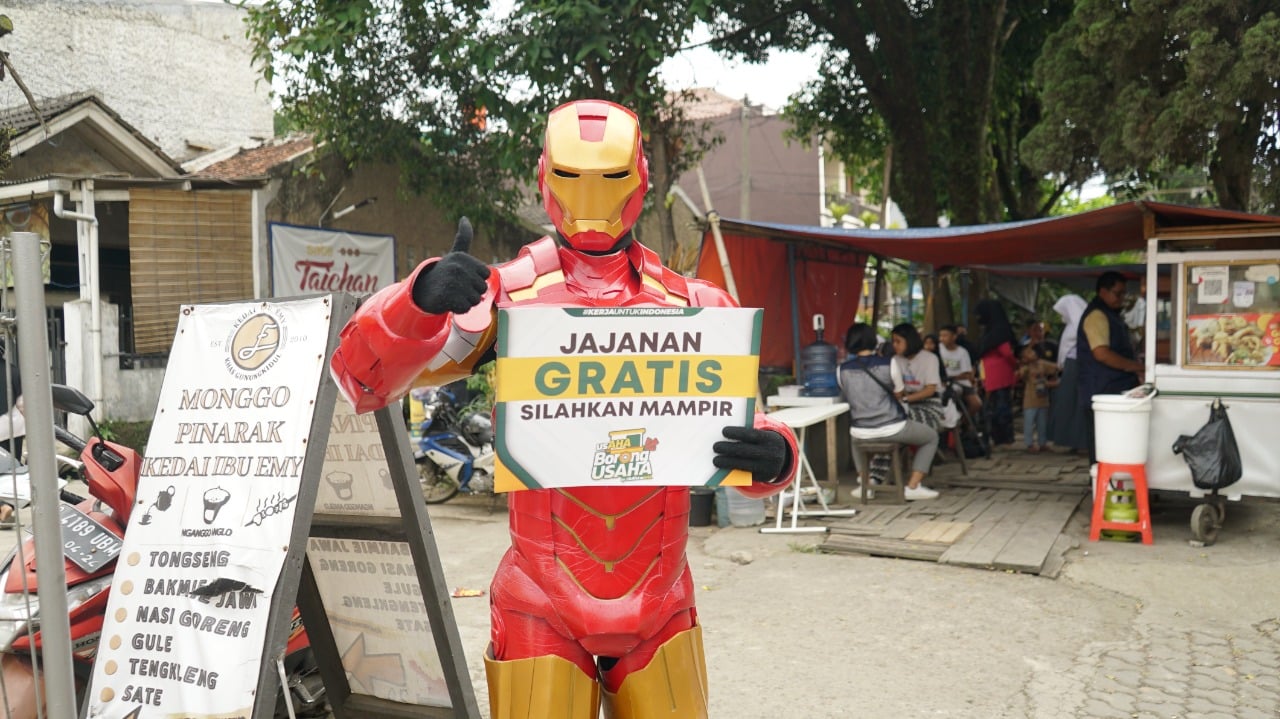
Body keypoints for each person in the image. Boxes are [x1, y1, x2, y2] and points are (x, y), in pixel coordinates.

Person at [329, 99, 799, 718]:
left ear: (638, 179)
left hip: (659, 592)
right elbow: (361, 380)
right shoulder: (504, 297)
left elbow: (738, 427)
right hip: (540, 596)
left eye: (609, 177)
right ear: (548, 177)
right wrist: (416, 300)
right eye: (574, 177)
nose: (592, 196)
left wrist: (775, 454)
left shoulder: (695, 304)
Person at [839, 322, 939, 500]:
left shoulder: (841, 370)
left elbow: (848, 392)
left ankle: (866, 484)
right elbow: (898, 393)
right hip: (893, 427)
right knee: (931, 437)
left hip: (861, 430)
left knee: (854, 438)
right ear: (873, 341)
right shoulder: (889, 363)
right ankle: (913, 486)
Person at [1078, 271, 1145, 464]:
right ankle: (1102, 487)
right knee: (1104, 447)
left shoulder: (1112, 315)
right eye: (1118, 293)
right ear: (1103, 292)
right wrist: (1135, 367)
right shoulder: (1097, 315)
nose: (1122, 299)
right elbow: (1102, 353)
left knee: (1115, 445)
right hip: (1102, 389)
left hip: (1112, 388)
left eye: (1124, 294)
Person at [1048, 295, 1089, 453]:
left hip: (1074, 364)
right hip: (1076, 365)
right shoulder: (1076, 324)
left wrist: (1061, 365)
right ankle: (1074, 440)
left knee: (1071, 402)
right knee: (1071, 403)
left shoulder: (1076, 326)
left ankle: (1078, 441)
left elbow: (1066, 348)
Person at [975, 299, 1019, 446]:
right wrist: (1016, 364)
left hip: (988, 373)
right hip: (1002, 372)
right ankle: (1005, 437)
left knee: (992, 406)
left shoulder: (988, 332)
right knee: (1003, 406)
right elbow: (1006, 352)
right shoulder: (1001, 330)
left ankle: (994, 436)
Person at [891, 323, 945, 430]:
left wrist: (905, 399)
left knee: (907, 421)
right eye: (893, 341)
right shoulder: (895, 359)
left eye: (898, 341)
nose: (894, 345)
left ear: (910, 341)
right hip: (905, 404)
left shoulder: (930, 358)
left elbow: (930, 390)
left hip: (929, 403)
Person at [1016, 344, 1059, 452]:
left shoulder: (1042, 364)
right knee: (1029, 423)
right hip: (1030, 400)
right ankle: (1029, 443)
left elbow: (1055, 367)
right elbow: (1020, 374)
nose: (1032, 354)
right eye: (1028, 353)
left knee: (1042, 423)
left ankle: (1042, 442)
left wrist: (1053, 379)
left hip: (1042, 399)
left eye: (1032, 352)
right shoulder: (1025, 368)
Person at [938, 324, 982, 418]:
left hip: (960, 382)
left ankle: (963, 422)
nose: (942, 338)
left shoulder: (962, 352)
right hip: (941, 382)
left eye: (945, 336)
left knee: (976, 404)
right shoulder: (938, 350)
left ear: (954, 337)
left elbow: (967, 374)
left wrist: (952, 378)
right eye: (940, 336)